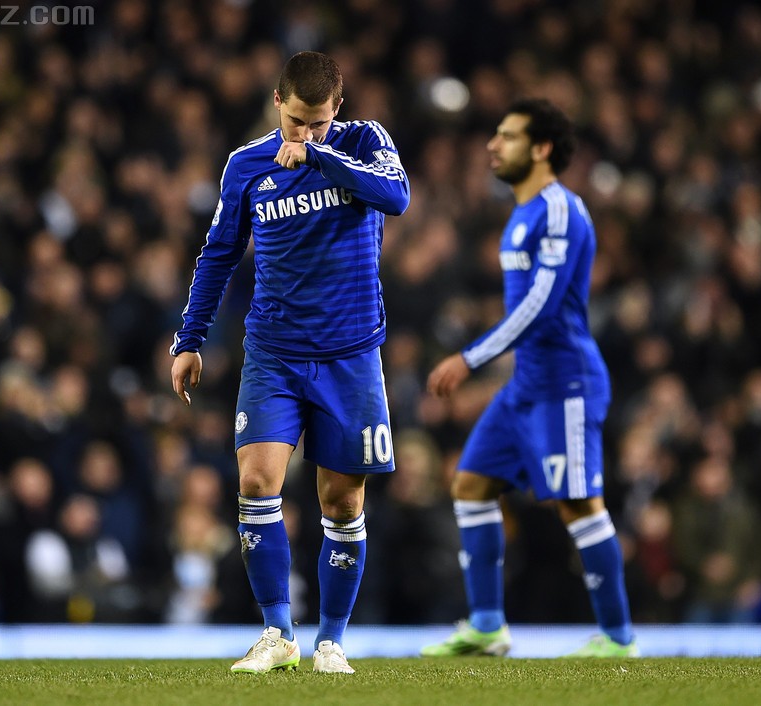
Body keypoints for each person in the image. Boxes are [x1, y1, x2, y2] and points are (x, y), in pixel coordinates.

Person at [170, 51, 409, 674]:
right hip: (273, 352)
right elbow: (218, 254)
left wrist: (323, 155)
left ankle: (331, 640)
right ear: (278, 101)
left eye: (320, 122)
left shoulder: (362, 143)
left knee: (342, 503)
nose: (306, 133)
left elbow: (396, 197)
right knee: (255, 483)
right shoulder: (245, 166)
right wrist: (189, 338)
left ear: (339, 109)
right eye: (298, 121)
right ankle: (278, 634)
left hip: (350, 354)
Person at [421, 99, 637, 658]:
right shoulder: (519, 216)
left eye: (508, 136)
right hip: (526, 385)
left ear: (542, 149)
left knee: (579, 505)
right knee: (470, 485)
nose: (493, 145)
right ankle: (489, 625)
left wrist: (470, 357)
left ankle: (618, 638)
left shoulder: (561, 210)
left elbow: (542, 304)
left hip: (566, 383)